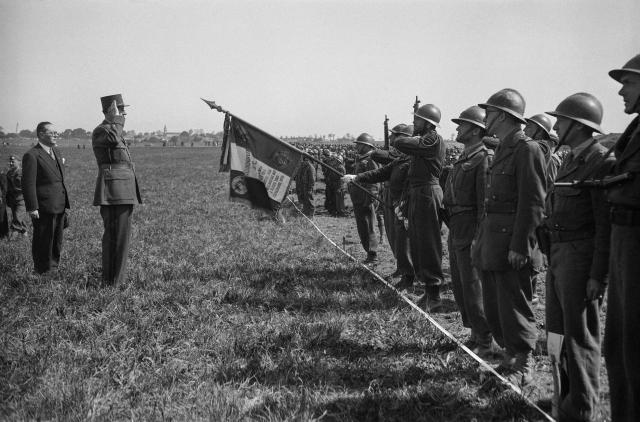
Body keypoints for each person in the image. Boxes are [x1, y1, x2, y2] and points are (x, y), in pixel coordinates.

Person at [544, 93, 613, 421]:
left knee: (580, 337)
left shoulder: (601, 161)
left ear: (577, 124)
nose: (555, 126)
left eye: (560, 120)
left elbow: (604, 226)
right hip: (559, 256)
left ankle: (583, 409)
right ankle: (565, 401)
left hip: (580, 258)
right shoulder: (569, 159)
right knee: (557, 334)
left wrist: (598, 275)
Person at [472, 88, 546, 386]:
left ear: (502, 115)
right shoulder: (503, 147)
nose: (485, 118)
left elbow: (534, 203)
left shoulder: (527, 149)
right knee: (496, 306)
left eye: (489, 113)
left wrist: (521, 245)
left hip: (512, 244)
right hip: (494, 242)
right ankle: (508, 357)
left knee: (515, 305)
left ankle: (522, 364)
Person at [604, 53, 640, 422]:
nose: (620, 91)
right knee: (620, 346)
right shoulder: (634, 132)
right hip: (624, 240)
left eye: (628, 81)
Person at [445, 106, 497, 357]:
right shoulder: (465, 157)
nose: (457, 128)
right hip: (457, 226)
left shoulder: (483, 158)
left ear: (475, 130)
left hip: (470, 227)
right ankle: (475, 333)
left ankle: (485, 339)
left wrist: (479, 236)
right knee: (461, 284)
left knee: (474, 285)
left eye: (462, 124)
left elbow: (484, 203)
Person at [343, 124, 414, 283]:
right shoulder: (398, 156)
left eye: (395, 135)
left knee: (399, 235)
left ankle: (407, 271)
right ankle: (401, 268)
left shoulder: (406, 156)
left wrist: (373, 196)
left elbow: (378, 176)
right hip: (385, 195)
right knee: (392, 233)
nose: (391, 138)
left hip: (400, 198)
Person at [394, 104, 446, 311]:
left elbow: (401, 142)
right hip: (419, 193)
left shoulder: (432, 138)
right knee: (417, 243)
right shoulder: (423, 140)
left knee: (428, 244)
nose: (414, 123)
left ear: (428, 123)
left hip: (427, 193)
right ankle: (428, 290)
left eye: (417, 119)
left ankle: (434, 294)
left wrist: (405, 139)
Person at [92, 94, 142, 286]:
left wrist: (117, 120)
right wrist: (115, 118)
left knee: (122, 238)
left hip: (123, 191)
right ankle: (111, 281)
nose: (124, 113)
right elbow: (112, 139)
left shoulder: (114, 130)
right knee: (115, 238)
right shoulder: (102, 131)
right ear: (109, 111)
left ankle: (117, 280)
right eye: (120, 109)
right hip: (113, 192)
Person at [22, 122, 70, 274]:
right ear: (41, 134)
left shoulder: (56, 151)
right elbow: (28, 183)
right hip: (43, 206)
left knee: (57, 239)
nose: (56, 135)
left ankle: (53, 268)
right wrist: (32, 207)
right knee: (43, 240)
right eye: (52, 132)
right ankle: (42, 270)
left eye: (57, 132)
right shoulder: (32, 155)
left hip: (59, 204)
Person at [348, 133, 380, 263]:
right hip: (359, 198)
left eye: (359, 144)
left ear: (367, 146)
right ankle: (369, 253)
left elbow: (375, 181)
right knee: (362, 227)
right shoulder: (361, 159)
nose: (357, 146)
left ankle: (373, 254)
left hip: (366, 198)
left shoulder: (371, 160)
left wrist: (371, 198)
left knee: (369, 227)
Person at [6, 155, 28, 239]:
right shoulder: (9, 173)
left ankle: (12, 239)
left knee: (17, 217)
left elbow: (29, 186)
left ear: (19, 162)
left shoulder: (23, 173)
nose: (11, 163)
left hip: (22, 199)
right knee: (17, 216)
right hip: (12, 199)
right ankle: (25, 234)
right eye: (10, 162)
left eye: (13, 162)